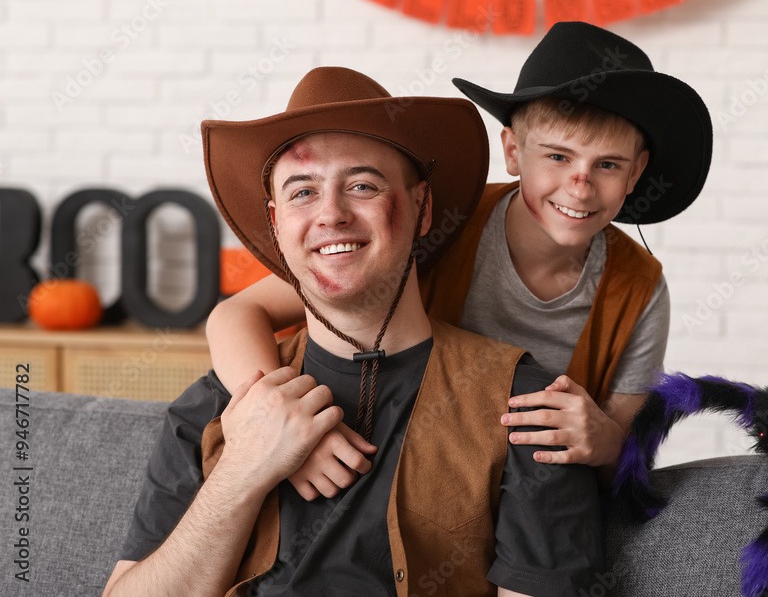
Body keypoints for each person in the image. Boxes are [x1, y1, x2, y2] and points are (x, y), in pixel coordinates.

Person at [104, 67, 603, 596]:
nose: (331, 215)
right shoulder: (213, 405)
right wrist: (244, 470)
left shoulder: (529, 409)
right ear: (276, 224)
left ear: (422, 206)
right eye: (302, 192)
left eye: (362, 185)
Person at [205, 21, 713, 496]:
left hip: (525, 500)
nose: (579, 185)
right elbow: (236, 312)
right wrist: (281, 426)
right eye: (557, 156)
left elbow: (623, 462)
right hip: (399, 467)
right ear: (513, 151)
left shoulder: (641, 292)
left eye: (607, 164)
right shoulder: (436, 224)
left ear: (636, 172)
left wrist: (606, 442)